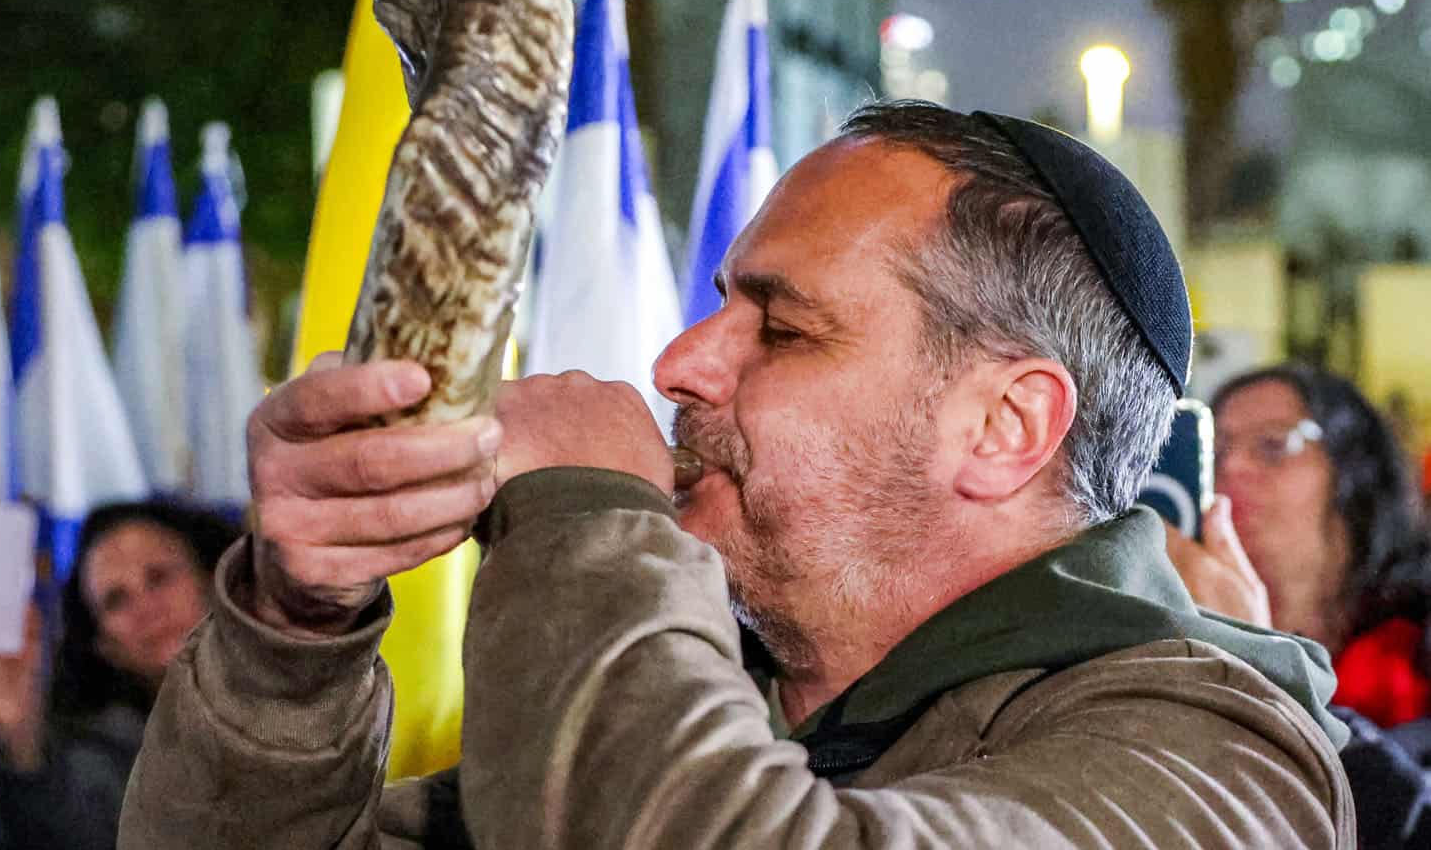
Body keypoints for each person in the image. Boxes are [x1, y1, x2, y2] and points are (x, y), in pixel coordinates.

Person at [122, 102, 1354, 848]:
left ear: (1003, 424)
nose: (676, 361)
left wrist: (587, 515)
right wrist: (296, 615)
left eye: (783, 326)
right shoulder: (713, 694)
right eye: (720, 304)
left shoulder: (1216, 758)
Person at [1166, 363, 1431, 847]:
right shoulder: (1177, 634)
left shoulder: (1417, 656)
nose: (1232, 470)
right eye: (1215, 451)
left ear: (1355, 473)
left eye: (1272, 446)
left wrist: (1261, 667)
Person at [0, 499, 238, 850]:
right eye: (116, 600)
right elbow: (70, 827)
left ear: (213, 582)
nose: (146, 607)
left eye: (158, 577)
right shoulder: (110, 761)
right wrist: (19, 735)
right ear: (106, 646)